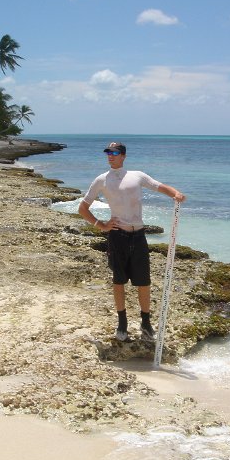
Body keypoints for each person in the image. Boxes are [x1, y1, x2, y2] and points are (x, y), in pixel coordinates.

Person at [78, 141, 186, 342]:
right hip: (117, 236)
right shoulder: (102, 180)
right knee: (118, 281)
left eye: (114, 152)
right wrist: (100, 225)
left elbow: (158, 186)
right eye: (108, 152)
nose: (110, 155)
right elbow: (82, 208)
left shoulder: (137, 176)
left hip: (138, 236)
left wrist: (175, 194)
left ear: (123, 155)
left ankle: (145, 323)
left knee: (143, 282)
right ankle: (122, 323)